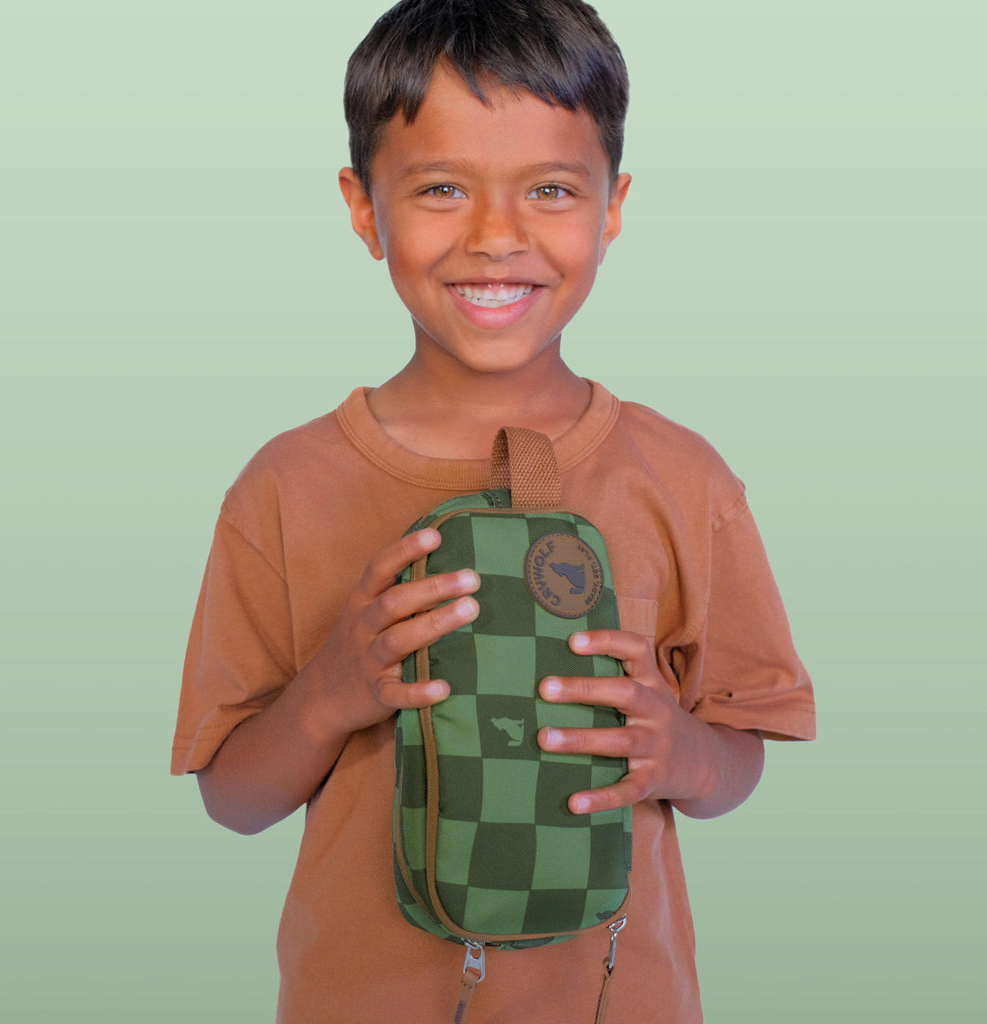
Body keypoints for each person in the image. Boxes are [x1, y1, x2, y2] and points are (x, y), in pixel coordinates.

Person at [170, 1, 816, 1021]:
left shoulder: (682, 478)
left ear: (612, 207)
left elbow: (740, 754)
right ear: (361, 206)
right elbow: (231, 797)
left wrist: (681, 751)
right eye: (439, 189)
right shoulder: (285, 485)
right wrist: (334, 688)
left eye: (551, 190)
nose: (496, 236)